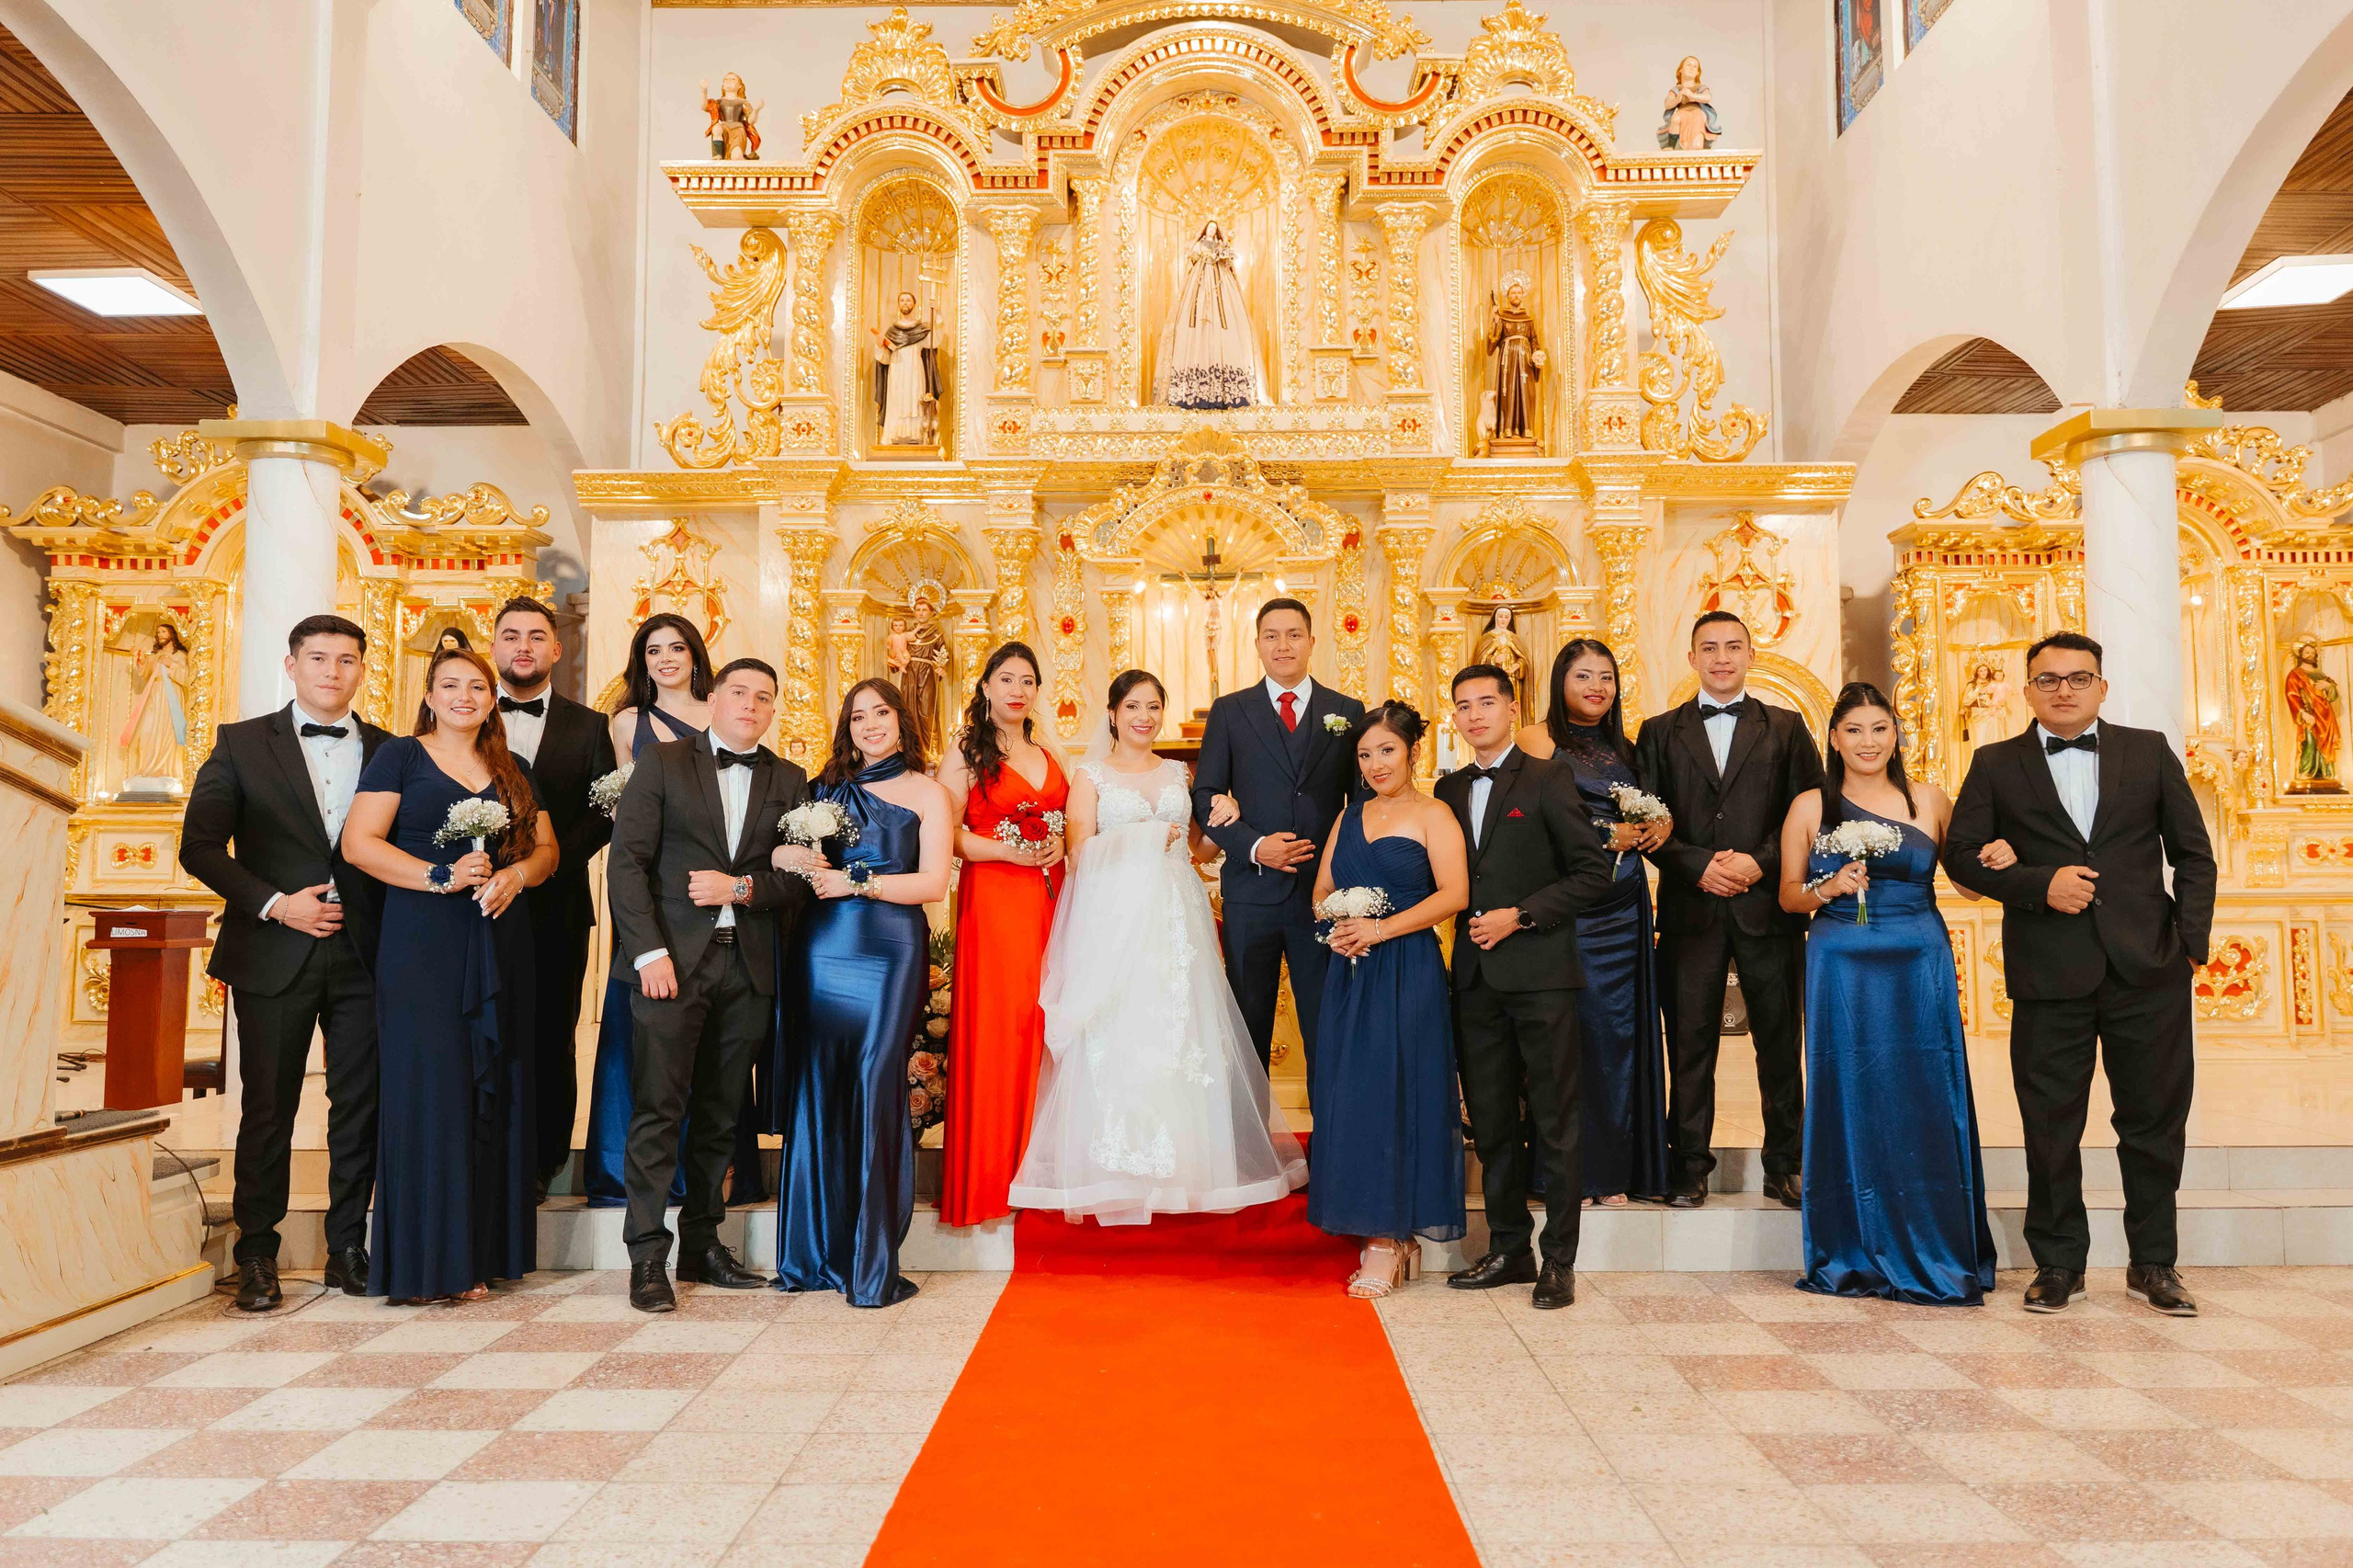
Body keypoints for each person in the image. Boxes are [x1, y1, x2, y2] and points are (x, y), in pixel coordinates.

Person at [1943, 631, 2217, 1317]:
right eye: (2048, 679)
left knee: (2154, 1124)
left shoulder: (2147, 750)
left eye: (2078, 677)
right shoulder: (1996, 762)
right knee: (2050, 1125)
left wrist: (2188, 948)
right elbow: (1962, 857)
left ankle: (2154, 1263)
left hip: (2147, 970)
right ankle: (2059, 1262)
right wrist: (2040, 884)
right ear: (2027, 688)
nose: (2063, 689)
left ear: (2102, 686)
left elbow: (2194, 855)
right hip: (2048, 973)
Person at [1009, 670, 1306, 1225]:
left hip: (1176, 914)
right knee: (1122, 1029)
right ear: (1114, 713)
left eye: (1153, 706)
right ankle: (1119, 1167)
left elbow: (1194, 850)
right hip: (1115, 917)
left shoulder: (1178, 772)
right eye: (1133, 707)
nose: (1144, 717)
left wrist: (1223, 822)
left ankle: (1190, 1165)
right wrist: (1147, 836)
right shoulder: (1090, 775)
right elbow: (1080, 854)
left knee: (1181, 1029)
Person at [180, 615, 391, 1311]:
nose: (333, 671)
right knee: (268, 1108)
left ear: (363, 670)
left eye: (347, 660)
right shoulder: (241, 745)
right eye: (319, 658)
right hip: (274, 950)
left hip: (368, 955)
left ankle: (348, 1249)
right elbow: (201, 847)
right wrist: (276, 903)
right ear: (292, 665)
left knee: (360, 1107)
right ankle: (258, 1253)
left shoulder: (392, 749)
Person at [342, 646, 558, 1302]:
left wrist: (518, 875)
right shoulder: (399, 757)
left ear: (492, 699)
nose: (465, 695)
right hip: (422, 945)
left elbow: (548, 849)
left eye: (477, 686)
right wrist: (439, 876)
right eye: (450, 685)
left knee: (495, 1090)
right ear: (429, 695)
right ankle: (429, 1263)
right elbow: (359, 845)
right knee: (431, 1091)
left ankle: (482, 1254)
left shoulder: (511, 768)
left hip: (498, 939)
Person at [1779, 683, 1997, 1304]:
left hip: (1918, 962)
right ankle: (1851, 1249)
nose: (1868, 742)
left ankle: (1936, 1248)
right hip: (1841, 966)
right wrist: (1832, 887)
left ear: (1896, 734)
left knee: (1925, 1094)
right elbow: (1789, 895)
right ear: (1833, 738)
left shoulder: (1930, 799)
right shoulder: (1809, 806)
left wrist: (1998, 856)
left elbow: (1973, 885)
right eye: (1854, 730)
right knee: (1849, 1093)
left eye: (1879, 728)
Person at [608, 657, 811, 1312]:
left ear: (774, 709)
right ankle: (645, 1256)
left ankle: (702, 1242)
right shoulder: (664, 763)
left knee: (722, 1116)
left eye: (765, 697)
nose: (751, 705)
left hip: (748, 967)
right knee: (658, 1110)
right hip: (670, 964)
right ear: (715, 699)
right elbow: (627, 865)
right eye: (740, 693)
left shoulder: (789, 779)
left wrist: (745, 888)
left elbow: (798, 878)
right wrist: (648, 955)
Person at [1435, 665, 1616, 1310]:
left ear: (1513, 709)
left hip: (1541, 975)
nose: (1475, 714)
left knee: (1555, 1119)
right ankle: (1511, 1247)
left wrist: (1524, 914)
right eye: (1463, 705)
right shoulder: (1447, 789)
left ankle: (1559, 1261)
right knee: (1489, 1120)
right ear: (1453, 716)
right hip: (1476, 983)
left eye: (1487, 702)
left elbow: (1593, 873)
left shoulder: (1547, 779)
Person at [771, 679, 951, 1307]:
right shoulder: (823, 791)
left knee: (876, 1084)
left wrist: (858, 885)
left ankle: (871, 1262)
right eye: (858, 716)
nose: (871, 724)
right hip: (823, 950)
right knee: (820, 1085)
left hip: (891, 949)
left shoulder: (929, 792)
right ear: (846, 727)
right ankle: (814, 1253)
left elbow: (932, 883)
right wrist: (794, 859)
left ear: (902, 721)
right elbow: (783, 852)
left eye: (882, 713)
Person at [1633, 611, 1823, 1210]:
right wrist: (1697, 865)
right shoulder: (1658, 732)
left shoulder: (1787, 729)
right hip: (1692, 909)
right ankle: (1688, 1167)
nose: (1721, 657)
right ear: (1691, 659)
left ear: (1751, 655)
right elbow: (1646, 821)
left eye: (1733, 647)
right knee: (1689, 1044)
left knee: (1777, 1040)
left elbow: (1810, 811)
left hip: (1769, 908)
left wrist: (1761, 862)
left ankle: (1785, 1165)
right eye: (1709, 648)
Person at [1306, 700, 1468, 1295]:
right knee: (1353, 1094)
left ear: (1412, 752)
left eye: (1387, 751)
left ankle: (1389, 1238)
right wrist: (1339, 925)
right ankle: (1378, 1227)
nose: (1376, 764)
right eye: (1365, 754)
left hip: (1408, 968)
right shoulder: (1349, 815)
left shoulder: (1434, 815)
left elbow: (1454, 893)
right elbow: (1322, 890)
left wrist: (1379, 927)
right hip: (1352, 973)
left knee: (1405, 1092)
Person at [1518, 640, 1673, 1206]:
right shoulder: (1538, 738)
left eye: (1606, 677)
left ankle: (1616, 1172)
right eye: (1584, 675)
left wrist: (1662, 821)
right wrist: (1611, 834)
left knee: (1620, 1034)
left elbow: (1652, 810)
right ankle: (1569, 1173)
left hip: (1625, 906)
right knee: (1571, 1036)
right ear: (1561, 680)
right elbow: (1540, 816)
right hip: (1570, 910)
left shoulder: (1626, 748)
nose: (1596, 687)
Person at [1191, 599, 1367, 1090]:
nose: (1283, 645)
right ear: (1257, 645)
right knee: (1247, 1030)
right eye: (1272, 635)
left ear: (1312, 642)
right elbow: (1204, 795)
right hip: (1251, 894)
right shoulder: (1229, 711)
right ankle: (1249, 1162)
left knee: (1326, 1025)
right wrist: (1252, 846)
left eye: (1294, 634)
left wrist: (1348, 877)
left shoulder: (1347, 711)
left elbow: (1361, 805)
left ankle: (1333, 1150)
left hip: (1324, 896)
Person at [487, 596, 619, 1202]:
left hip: (558, 904)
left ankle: (541, 1165)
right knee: (482, 1029)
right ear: (494, 647)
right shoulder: (461, 714)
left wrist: (545, 860)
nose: (523, 646)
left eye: (536, 636)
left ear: (556, 650)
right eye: (511, 635)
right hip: (470, 905)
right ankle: (480, 1152)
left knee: (551, 1037)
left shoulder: (590, 726)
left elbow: (603, 814)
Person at [582, 615, 713, 1206]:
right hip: (649, 887)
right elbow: (622, 805)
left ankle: (705, 1169)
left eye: (676, 648)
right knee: (641, 1028)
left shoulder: (723, 711)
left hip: (712, 888)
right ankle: (622, 1168)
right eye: (653, 650)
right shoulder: (627, 723)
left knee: (707, 1031)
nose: (666, 659)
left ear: (695, 656)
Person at [937, 642, 1068, 1228]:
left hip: (1056, 897)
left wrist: (1060, 845)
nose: (1018, 689)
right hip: (995, 901)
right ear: (985, 686)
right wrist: (1011, 852)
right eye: (1006, 678)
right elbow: (948, 836)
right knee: (1005, 1024)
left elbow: (1072, 820)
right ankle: (996, 1179)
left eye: (1029, 681)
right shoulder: (965, 753)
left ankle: (1050, 1172)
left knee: (1050, 1023)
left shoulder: (1049, 750)